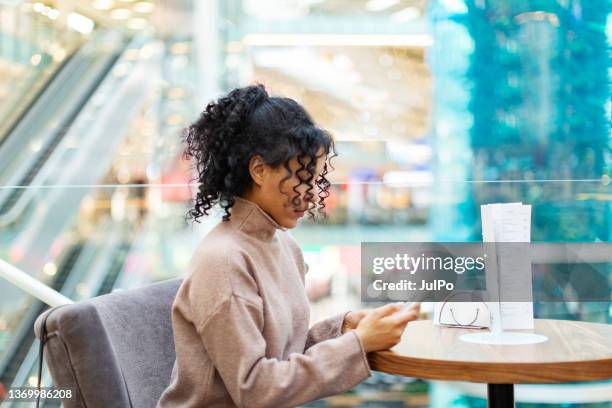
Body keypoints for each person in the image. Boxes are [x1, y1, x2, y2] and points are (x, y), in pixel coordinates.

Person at [156, 84, 420, 408]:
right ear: (259, 170)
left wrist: (345, 328)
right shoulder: (224, 261)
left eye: (317, 180)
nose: (311, 194)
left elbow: (285, 353)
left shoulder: (282, 244)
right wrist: (358, 343)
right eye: (302, 178)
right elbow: (255, 389)